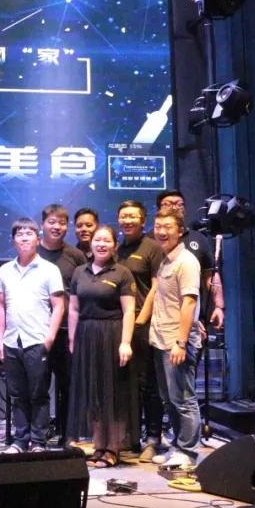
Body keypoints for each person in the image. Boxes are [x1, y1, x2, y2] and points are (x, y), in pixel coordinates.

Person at [0, 218, 65, 453]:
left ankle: (38, 441)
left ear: (38, 238)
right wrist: (0, 339)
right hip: (11, 341)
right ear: (13, 240)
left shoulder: (49, 270)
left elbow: (59, 306)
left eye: (29, 233)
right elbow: (0, 306)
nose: (24, 238)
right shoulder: (5, 270)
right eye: (19, 234)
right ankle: (20, 440)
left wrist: (49, 338)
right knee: (17, 395)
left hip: (37, 340)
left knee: (38, 394)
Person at [67, 225, 136, 468]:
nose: (101, 244)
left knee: (112, 393)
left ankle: (112, 448)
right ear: (91, 243)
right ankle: (98, 446)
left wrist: (125, 342)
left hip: (112, 335)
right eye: (98, 240)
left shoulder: (122, 273)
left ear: (114, 245)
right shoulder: (79, 272)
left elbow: (129, 311)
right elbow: (73, 309)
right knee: (93, 393)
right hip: (86, 336)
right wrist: (73, 340)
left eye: (107, 240)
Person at [140, 210, 202, 467]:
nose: (162, 231)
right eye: (158, 227)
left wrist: (181, 342)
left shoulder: (186, 261)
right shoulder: (166, 260)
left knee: (184, 400)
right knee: (170, 399)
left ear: (180, 231)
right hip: (161, 340)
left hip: (176, 341)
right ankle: (177, 446)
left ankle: (188, 452)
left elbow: (189, 303)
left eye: (167, 227)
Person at [116, 200, 167, 462]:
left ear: (143, 221)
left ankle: (153, 439)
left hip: (144, 325)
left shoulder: (152, 248)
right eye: (123, 216)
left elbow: (157, 287)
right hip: (120, 325)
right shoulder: (117, 248)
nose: (127, 221)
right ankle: (131, 436)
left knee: (149, 383)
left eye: (133, 217)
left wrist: (141, 320)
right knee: (127, 383)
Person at [37, 204, 87, 445]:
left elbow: (83, 291)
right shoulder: (33, 252)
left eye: (61, 223)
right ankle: (40, 435)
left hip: (69, 330)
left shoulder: (75, 256)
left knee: (69, 385)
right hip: (38, 330)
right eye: (52, 222)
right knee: (39, 385)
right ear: (42, 225)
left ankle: (68, 435)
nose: (56, 227)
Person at [155, 190, 224, 330]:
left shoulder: (198, 238)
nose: (174, 208)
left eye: (179, 204)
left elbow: (210, 275)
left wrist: (219, 306)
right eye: (167, 204)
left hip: (194, 317)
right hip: (159, 320)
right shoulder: (151, 239)